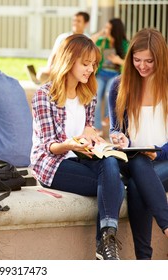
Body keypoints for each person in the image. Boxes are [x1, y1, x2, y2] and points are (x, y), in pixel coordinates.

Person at [30, 34, 125, 260]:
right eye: (85, 63)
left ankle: (106, 242)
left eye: (93, 64)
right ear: (69, 60)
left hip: (79, 159)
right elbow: (49, 146)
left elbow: (86, 132)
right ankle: (106, 246)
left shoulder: (87, 95)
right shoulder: (44, 95)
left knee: (111, 161)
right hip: (51, 164)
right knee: (115, 186)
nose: (91, 70)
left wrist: (91, 136)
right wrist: (71, 143)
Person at [108, 28, 168, 259]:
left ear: (160, 59)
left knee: (135, 187)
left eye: (149, 61)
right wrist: (118, 137)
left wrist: (160, 153)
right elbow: (116, 128)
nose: (142, 66)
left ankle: (144, 259)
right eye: (136, 60)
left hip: (164, 159)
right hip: (133, 159)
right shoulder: (118, 85)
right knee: (139, 165)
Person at [91, 18, 128, 134]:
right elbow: (89, 42)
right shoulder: (102, 41)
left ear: (115, 30)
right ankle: (97, 127)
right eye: (105, 27)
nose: (106, 30)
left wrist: (118, 60)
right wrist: (101, 33)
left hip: (115, 74)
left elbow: (130, 64)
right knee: (95, 95)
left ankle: (108, 117)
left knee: (109, 92)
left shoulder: (124, 44)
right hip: (101, 74)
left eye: (108, 28)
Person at [36, 11, 90, 83]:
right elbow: (54, 54)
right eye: (74, 20)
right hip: (60, 67)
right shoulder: (63, 37)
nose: (75, 23)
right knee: (42, 74)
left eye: (78, 21)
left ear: (86, 24)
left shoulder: (88, 40)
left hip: (76, 70)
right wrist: (49, 67)